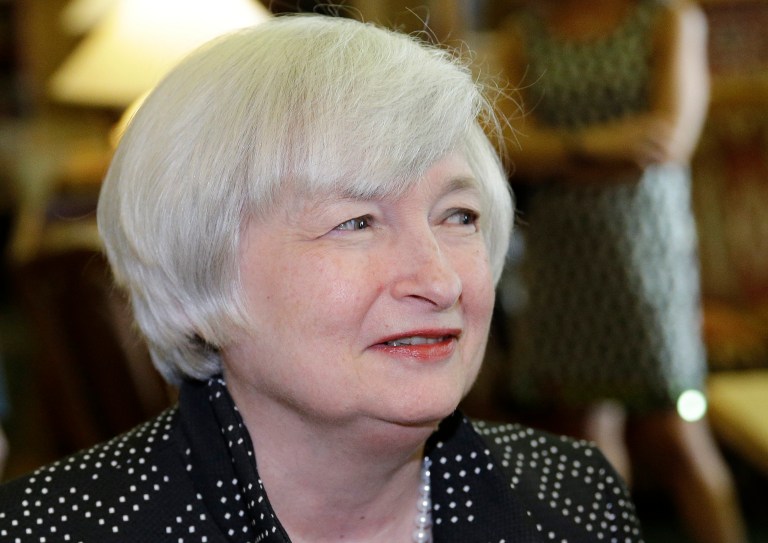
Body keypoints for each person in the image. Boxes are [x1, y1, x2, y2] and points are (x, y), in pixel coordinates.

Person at [0, 14, 643, 542]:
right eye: (356, 222)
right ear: (199, 272)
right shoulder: (52, 531)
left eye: (459, 216)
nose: (441, 280)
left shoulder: (576, 498)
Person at [495, 1, 747, 542]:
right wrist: (609, 146)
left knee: (678, 429)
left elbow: (669, 139)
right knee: (586, 441)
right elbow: (512, 148)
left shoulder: (668, 19)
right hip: (562, 258)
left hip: (645, 255)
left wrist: (560, 154)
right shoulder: (523, 35)